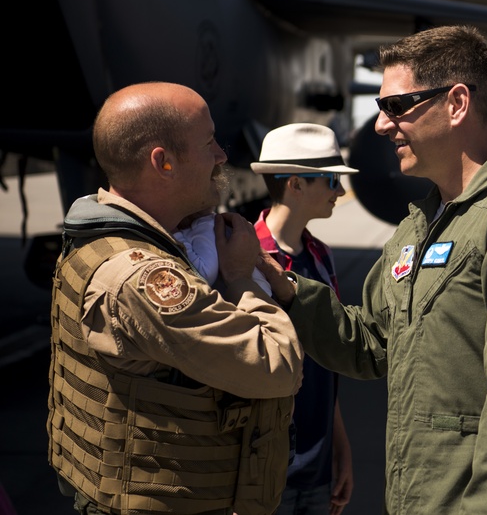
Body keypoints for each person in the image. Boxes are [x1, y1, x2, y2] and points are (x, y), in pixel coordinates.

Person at [266, 25, 487, 514]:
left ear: (457, 103)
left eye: (396, 106)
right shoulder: (420, 224)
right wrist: (288, 290)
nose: (380, 125)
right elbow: (372, 344)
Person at [48, 81, 303, 515]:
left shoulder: (100, 237)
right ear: (162, 162)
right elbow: (276, 365)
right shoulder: (143, 280)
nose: (222, 156)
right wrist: (241, 275)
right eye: (208, 144)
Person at [250, 123, 358, 515]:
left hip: (318, 466)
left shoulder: (322, 258)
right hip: (263, 469)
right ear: (295, 184)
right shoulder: (244, 259)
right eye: (331, 181)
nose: (341, 192)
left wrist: (340, 444)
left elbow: (326, 359)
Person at [174, 208, 273, 295]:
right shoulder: (206, 225)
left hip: (256, 303)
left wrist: (175, 236)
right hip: (258, 299)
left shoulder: (203, 226)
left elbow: (205, 274)